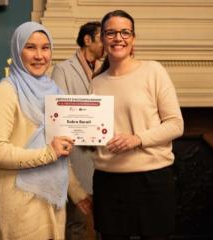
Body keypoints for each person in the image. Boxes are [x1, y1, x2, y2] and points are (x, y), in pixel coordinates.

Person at [0, 21, 91, 240]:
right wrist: (48, 153)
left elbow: (59, 153)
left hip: (51, 201)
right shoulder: (5, 93)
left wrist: (76, 193)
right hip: (19, 204)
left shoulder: (54, 93)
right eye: (30, 47)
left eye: (45, 47)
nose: (39, 55)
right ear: (17, 51)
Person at [90, 10, 184, 240]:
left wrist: (137, 139)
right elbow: (93, 133)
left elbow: (175, 125)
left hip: (152, 181)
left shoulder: (153, 71)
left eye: (125, 32)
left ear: (133, 38)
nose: (118, 38)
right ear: (102, 38)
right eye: (110, 33)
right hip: (108, 182)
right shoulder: (95, 83)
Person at [51, 21, 104, 240]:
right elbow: (58, 113)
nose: (107, 43)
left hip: (101, 159)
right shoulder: (62, 69)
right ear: (87, 40)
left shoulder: (105, 70)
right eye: (102, 38)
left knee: (105, 222)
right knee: (76, 223)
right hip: (74, 159)